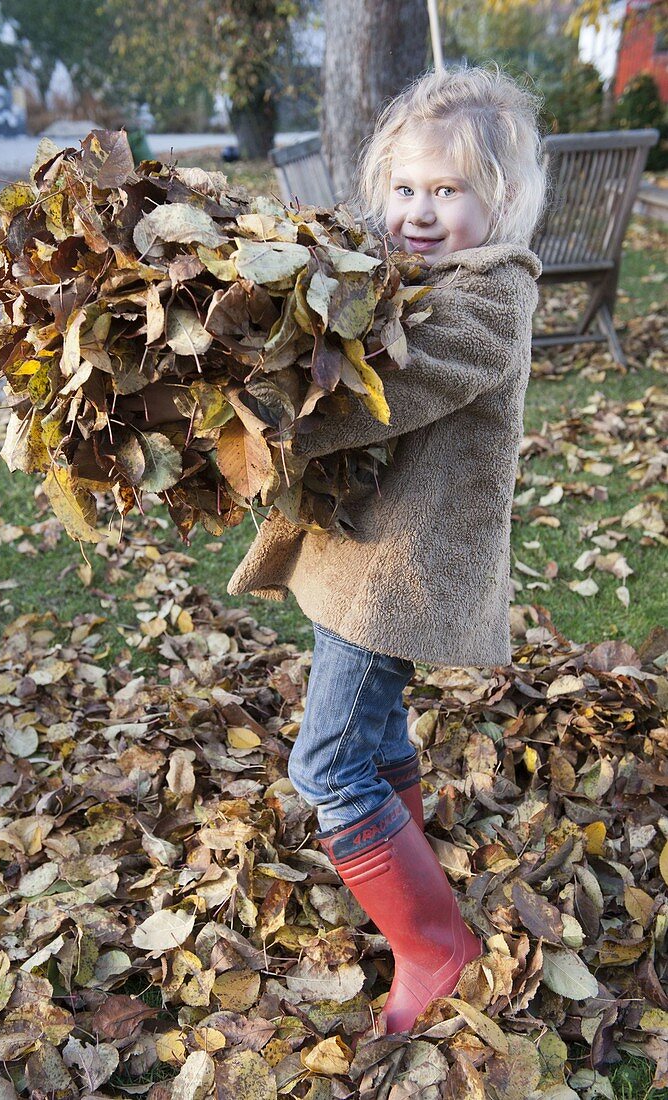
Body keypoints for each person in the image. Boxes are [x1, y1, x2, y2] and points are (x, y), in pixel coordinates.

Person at [225, 62, 548, 1035]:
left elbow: (384, 392)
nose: (417, 209)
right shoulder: (419, 276)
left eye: (447, 191)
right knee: (376, 733)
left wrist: (260, 418)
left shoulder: (492, 299)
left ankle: (432, 942)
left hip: (397, 578)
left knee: (326, 765)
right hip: (361, 562)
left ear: (503, 201)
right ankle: (413, 879)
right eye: (405, 188)